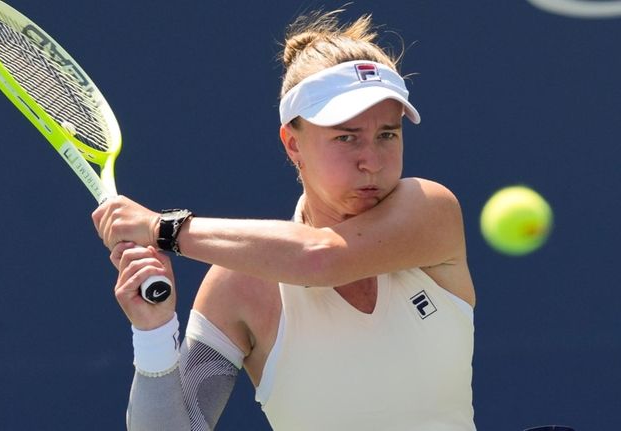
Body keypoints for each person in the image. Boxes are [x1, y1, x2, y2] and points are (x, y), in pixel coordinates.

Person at [93, 9, 476, 431]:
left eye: (387, 134)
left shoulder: (430, 209)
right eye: (346, 137)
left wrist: (161, 229)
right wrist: (153, 333)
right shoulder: (240, 286)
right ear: (293, 145)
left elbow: (319, 260)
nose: (372, 161)